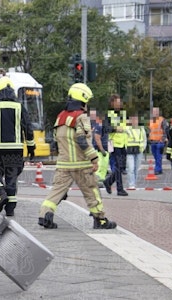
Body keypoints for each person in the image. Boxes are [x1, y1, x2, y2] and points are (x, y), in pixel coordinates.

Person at [38, 83, 117, 229]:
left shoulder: (61, 117)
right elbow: (82, 140)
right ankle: (100, 220)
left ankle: (44, 214)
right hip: (81, 165)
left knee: (56, 192)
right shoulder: (80, 117)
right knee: (92, 192)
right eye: (86, 101)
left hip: (63, 165)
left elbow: (57, 141)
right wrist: (94, 158)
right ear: (82, 99)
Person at [0, 76, 35, 216]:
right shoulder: (20, 107)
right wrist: (31, 147)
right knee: (12, 177)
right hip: (16, 149)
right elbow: (28, 128)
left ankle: (0, 194)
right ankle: (10, 209)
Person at [103, 94, 128, 196]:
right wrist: (115, 129)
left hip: (123, 143)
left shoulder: (123, 113)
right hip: (113, 143)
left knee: (122, 167)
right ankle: (119, 189)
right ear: (112, 103)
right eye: (117, 102)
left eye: (120, 102)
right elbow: (105, 129)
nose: (119, 104)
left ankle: (108, 182)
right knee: (117, 166)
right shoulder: (108, 114)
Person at [125, 114, 147, 189]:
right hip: (129, 150)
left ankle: (134, 182)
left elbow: (144, 140)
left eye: (135, 119)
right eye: (132, 119)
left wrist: (142, 148)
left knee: (136, 168)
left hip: (139, 150)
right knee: (131, 168)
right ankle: (131, 184)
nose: (134, 121)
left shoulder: (141, 129)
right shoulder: (127, 129)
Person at [91, 109, 109, 182]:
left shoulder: (104, 126)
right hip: (100, 150)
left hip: (106, 149)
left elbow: (108, 138)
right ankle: (97, 180)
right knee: (99, 165)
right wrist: (102, 150)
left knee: (104, 166)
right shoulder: (98, 126)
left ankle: (102, 179)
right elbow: (97, 139)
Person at [149, 107, 168, 175]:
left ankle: (157, 169)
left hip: (160, 142)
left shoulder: (162, 120)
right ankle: (159, 169)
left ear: (158, 112)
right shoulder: (151, 120)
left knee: (158, 156)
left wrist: (163, 139)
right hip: (153, 141)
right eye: (153, 112)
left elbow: (166, 130)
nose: (155, 113)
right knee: (156, 156)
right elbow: (150, 130)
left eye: (156, 112)